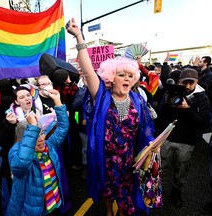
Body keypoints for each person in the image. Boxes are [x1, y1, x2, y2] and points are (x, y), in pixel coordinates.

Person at [66, 18, 155, 216]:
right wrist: (79, 36)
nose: (127, 79)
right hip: (105, 157)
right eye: (122, 75)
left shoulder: (138, 100)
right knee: (107, 189)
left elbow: (146, 127)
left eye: (130, 76)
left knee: (126, 194)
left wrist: (150, 144)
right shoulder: (102, 97)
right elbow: (89, 73)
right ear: (111, 78)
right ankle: (108, 209)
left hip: (129, 159)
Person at [6, 89, 69, 216]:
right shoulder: (17, 155)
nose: (41, 139)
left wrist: (57, 100)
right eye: (35, 137)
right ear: (23, 141)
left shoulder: (49, 147)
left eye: (41, 133)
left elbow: (62, 128)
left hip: (55, 205)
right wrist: (33, 128)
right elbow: (22, 164)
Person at [155, 68, 211, 208]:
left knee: (181, 169)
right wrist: (168, 102)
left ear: (196, 82)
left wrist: (187, 109)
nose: (187, 86)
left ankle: (177, 191)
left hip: (186, 142)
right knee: (163, 167)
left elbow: (202, 123)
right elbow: (160, 115)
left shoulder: (202, 98)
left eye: (190, 83)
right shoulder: (171, 92)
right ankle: (159, 190)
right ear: (179, 81)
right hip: (167, 139)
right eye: (184, 82)